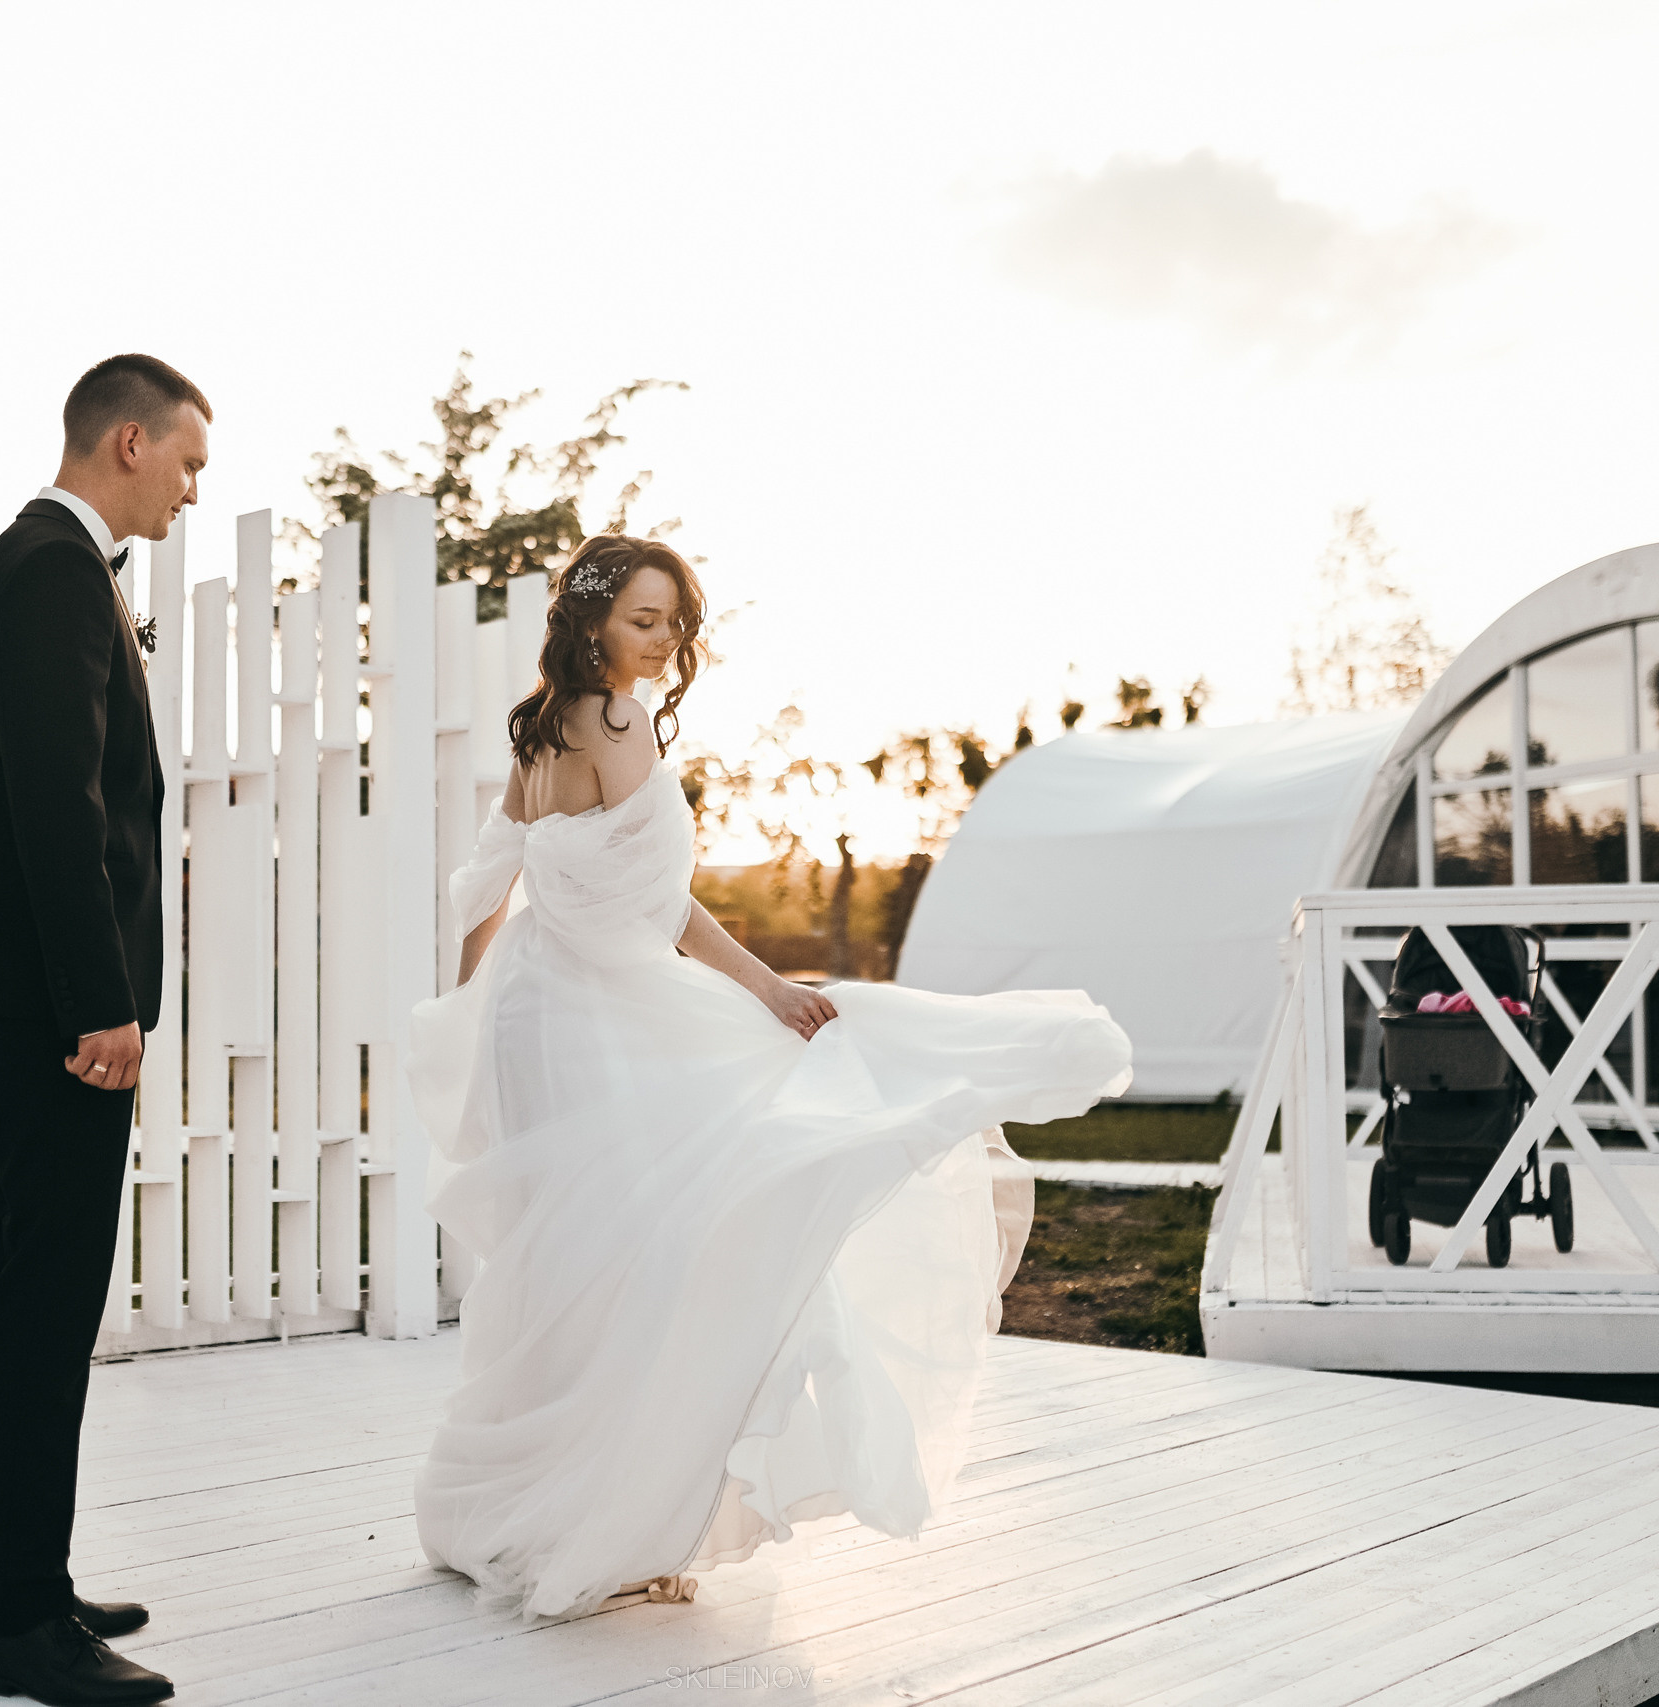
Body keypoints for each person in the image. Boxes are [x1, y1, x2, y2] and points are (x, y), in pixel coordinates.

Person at [405, 534, 1133, 1621]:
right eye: (645, 620)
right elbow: (660, 909)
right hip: (602, 1020)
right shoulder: (620, 721)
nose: (664, 641)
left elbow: (494, 880)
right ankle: (603, 1516)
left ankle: (540, 1498)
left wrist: (463, 1007)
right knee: (665, 1250)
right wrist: (762, 989)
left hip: (535, 1011)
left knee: (575, 1262)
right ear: (596, 619)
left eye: (674, 623)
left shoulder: (543, 720)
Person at [0, 353, 209, 1704]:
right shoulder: (51, 571)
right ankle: (25, 1622)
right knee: (49, 1290)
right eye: (190, 462)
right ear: (129, 442)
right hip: (48, 994)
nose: (195, 489)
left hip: (18, 981)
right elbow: (55, 804)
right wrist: (102, 1001)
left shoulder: (46, 566)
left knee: (18, 1278)